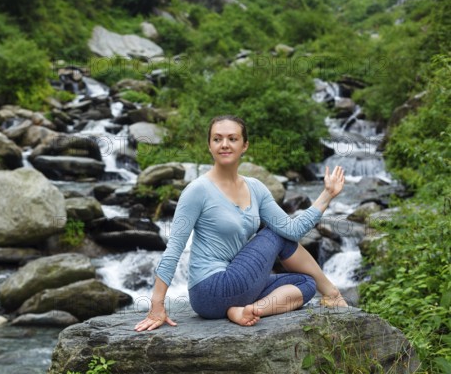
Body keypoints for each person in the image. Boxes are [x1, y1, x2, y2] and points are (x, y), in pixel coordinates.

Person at [135, 115, 348, 332]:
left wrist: (327, 195)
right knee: (276, 234)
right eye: (217, 139)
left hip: (239, 286)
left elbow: (293, 230)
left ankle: (248, 310)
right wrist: (157, 304)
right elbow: (174, 248)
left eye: (232, 139)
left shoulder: (256, 188)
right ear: (209, 146)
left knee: (306, 284)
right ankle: (332, 294)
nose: (224, 144)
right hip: (210, 289)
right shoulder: (197, 191)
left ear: (244, 145)